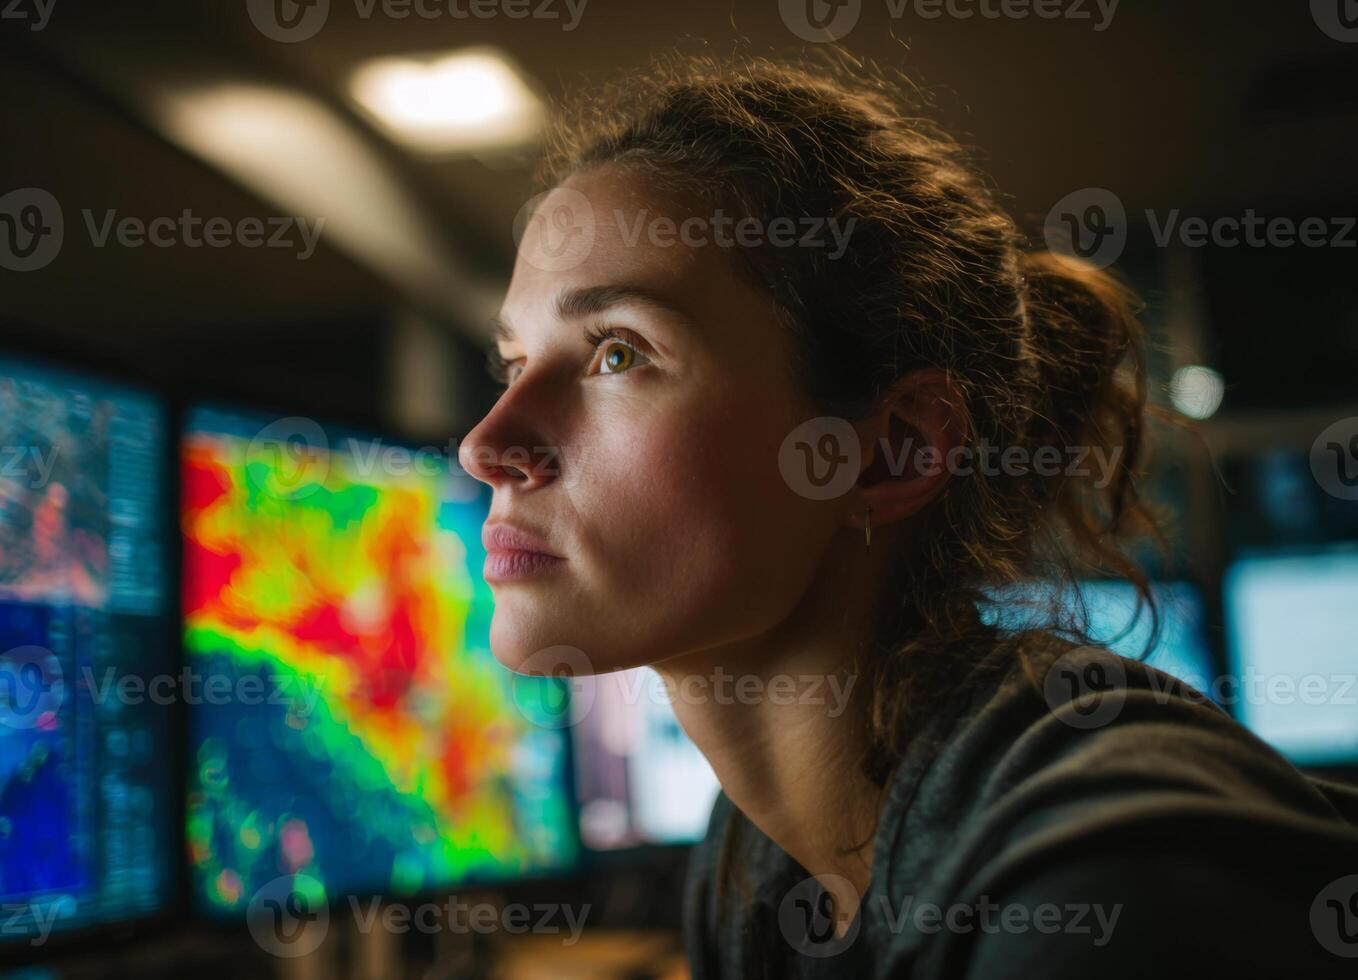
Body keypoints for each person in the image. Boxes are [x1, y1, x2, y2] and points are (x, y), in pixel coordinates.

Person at [458, 54, 1358, 979]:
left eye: (617, 353)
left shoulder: (1105, 881)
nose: (487, 445)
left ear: (890, 453)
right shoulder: (755, 862)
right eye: (512, 363)